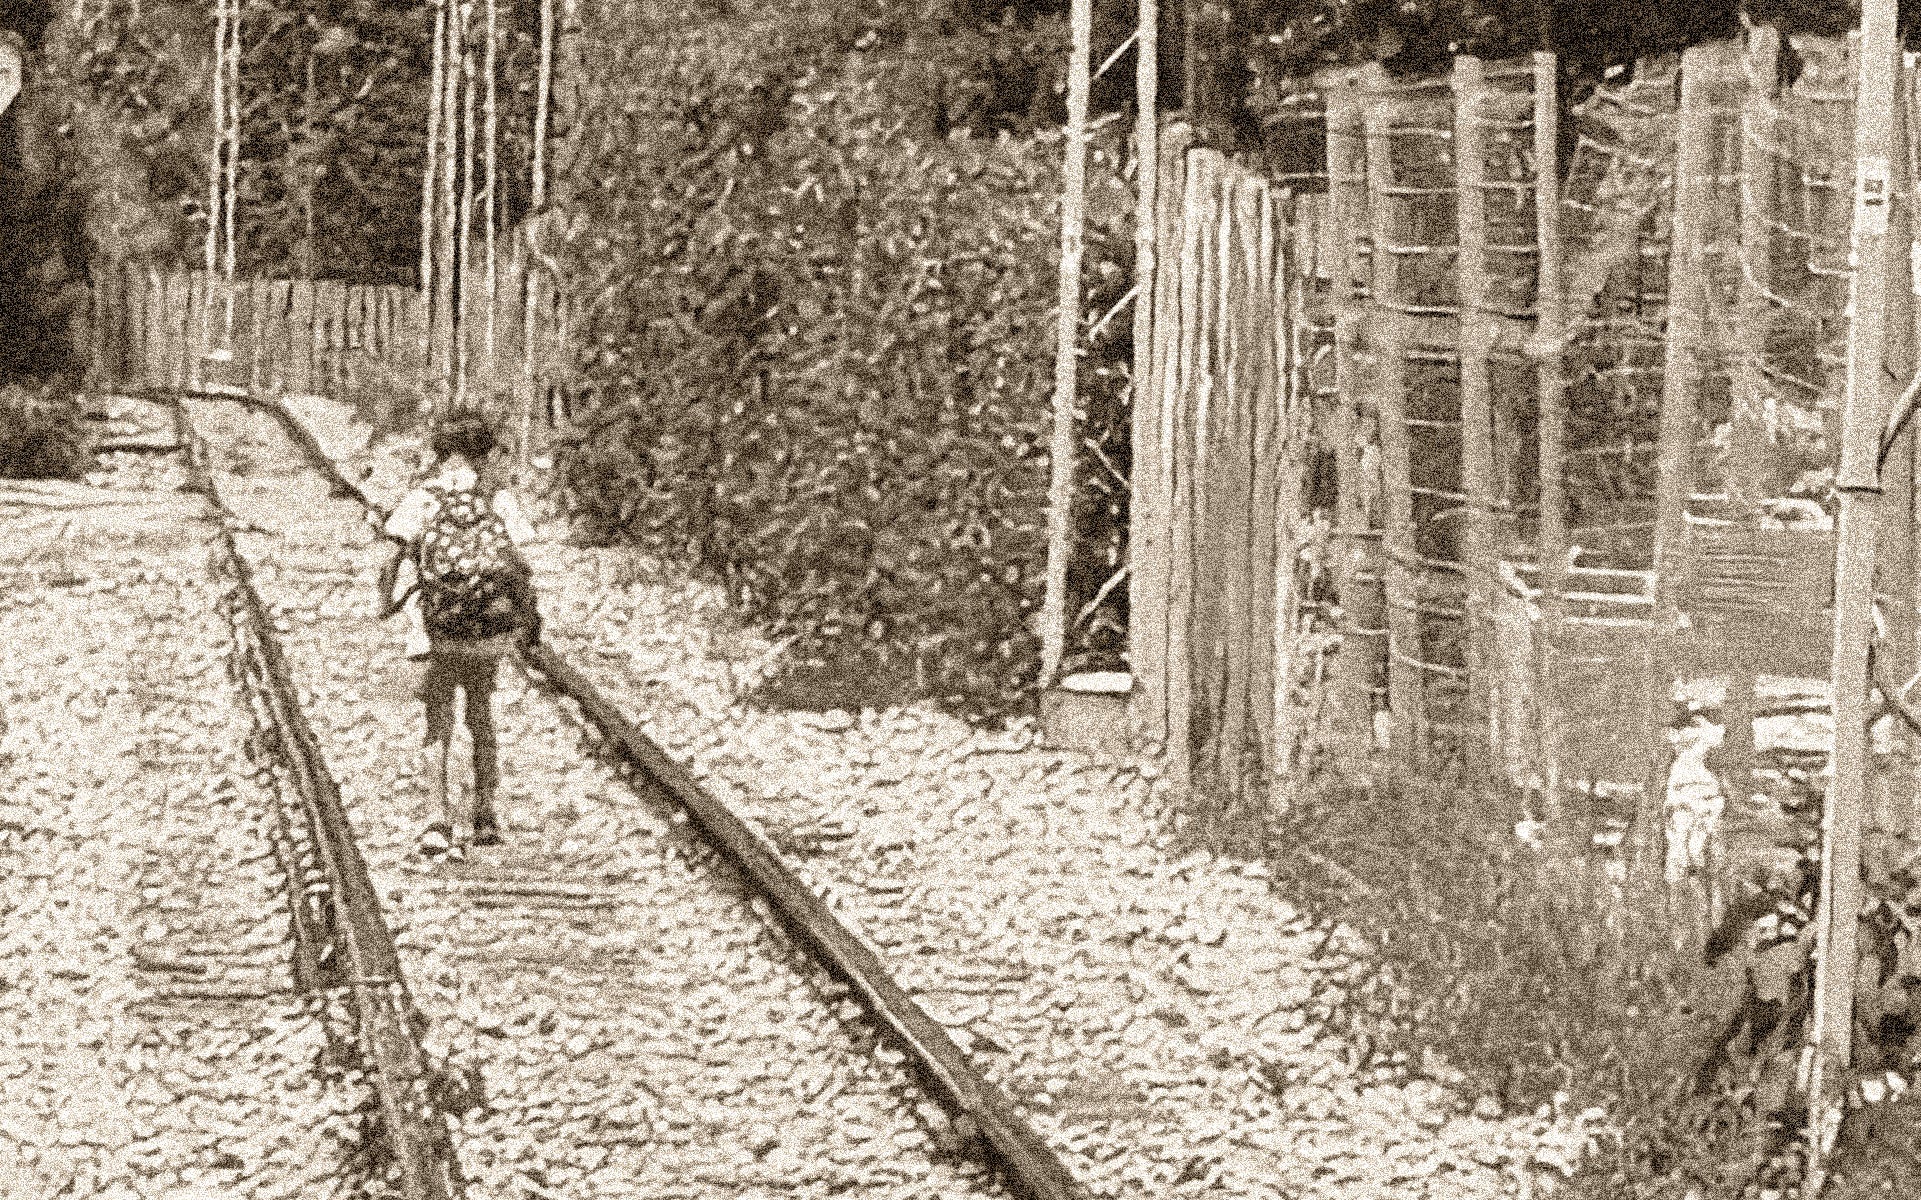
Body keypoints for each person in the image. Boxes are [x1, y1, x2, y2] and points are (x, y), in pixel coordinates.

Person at [377, 410, 541, 859]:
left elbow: (389, 562)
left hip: (439, 629)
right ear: (484, 453)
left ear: (439, 451)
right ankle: (486, 814)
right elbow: (521, 564)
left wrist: (386, 606)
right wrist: (526, 623)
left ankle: (437, 820)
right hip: (487, 628)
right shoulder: (498, 501)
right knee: (482, 714)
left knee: (438, 723)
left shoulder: (422, 499)